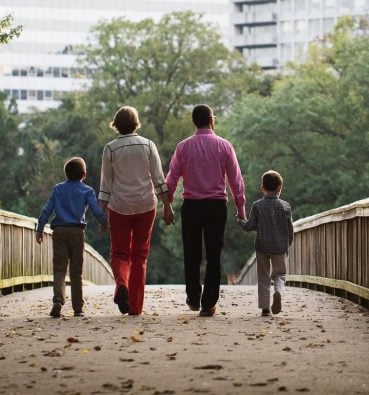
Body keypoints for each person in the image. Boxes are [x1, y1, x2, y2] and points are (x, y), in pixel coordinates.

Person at [164, 103, 246, 317]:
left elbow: (171, 179)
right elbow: (236, 180)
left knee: (191, 254)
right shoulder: (224, 146)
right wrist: (241, 208)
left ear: (194, 121)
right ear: (212, 120)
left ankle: (193, 297)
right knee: (213, 255)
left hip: (191, 206)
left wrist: (167, 205)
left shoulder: (183, 147)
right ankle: (208, 303)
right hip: (216, 207)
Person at [99, 106, 170, 316]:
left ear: (116, 125)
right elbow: (159, 179)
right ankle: (136, 307)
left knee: (119, 253)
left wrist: (102, 214)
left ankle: (122, 284)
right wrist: (167, 206)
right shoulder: (148, 145)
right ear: (136, 123)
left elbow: (106, 184)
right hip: (145, 205)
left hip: (119, 206)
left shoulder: (110, 149)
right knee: (140, 256)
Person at [36, 156, 109, 318]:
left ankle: (58, 300)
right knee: (76, 271)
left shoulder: (58, 189)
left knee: (59, 268)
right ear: (84, 174)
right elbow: (97, 210)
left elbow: (46, 210)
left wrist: (40, 228)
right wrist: (104, 222)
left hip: (60, 231)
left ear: (66, 173)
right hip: (77, 231)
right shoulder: (87, 190)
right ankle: (78, 308)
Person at [240, 170, 294, 316]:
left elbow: (250, 226)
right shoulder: (285, 206)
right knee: (280, 274)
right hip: (280, 247)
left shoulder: (257, 206)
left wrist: (241, 221)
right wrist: (287, 245)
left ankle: (265, 308)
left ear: (262, 188)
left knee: (263, 278)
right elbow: (290, 229)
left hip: (262, 246)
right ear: (279, 188)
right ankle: (278, 291)